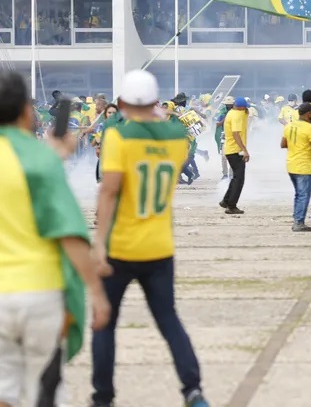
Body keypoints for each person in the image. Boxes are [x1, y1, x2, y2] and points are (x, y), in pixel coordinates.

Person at [92, 69, 210, 407]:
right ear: (156, 102)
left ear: (122, 103)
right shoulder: (175, 137)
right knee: (169, 319)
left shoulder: (118, 136)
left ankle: (103, 397)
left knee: (104, 323)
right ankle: (193, 389)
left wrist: (98, 244)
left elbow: (109, 192)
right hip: (159, 246)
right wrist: (160, 114)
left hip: (121, 245)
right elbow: (171, 125)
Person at [0, 71, 109, 407]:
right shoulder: (40, 160)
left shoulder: (41, 158)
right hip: (39, 294)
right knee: (45, 392)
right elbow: (69, 235)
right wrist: (97, 293)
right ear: (25, 112)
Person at [281, 102, 311, 232]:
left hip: (291, 165)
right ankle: (299, 223)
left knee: (298, 194)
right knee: (304, 195)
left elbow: (283, 144)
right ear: (308, 114)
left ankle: (297, 218)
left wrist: (296, 146)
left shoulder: (289, 126)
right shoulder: (309, 128)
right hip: (303, 166)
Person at [218, 97, 249, 215]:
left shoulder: (232, 112)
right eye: (244, 107)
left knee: (236, 177)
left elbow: (246, 112)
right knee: (239, 179)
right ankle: (231, 206)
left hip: (231, 150)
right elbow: (236, 134)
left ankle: (226, 201)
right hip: (235, 151)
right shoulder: (236, 116)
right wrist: (244, 150)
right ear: (240, 107)